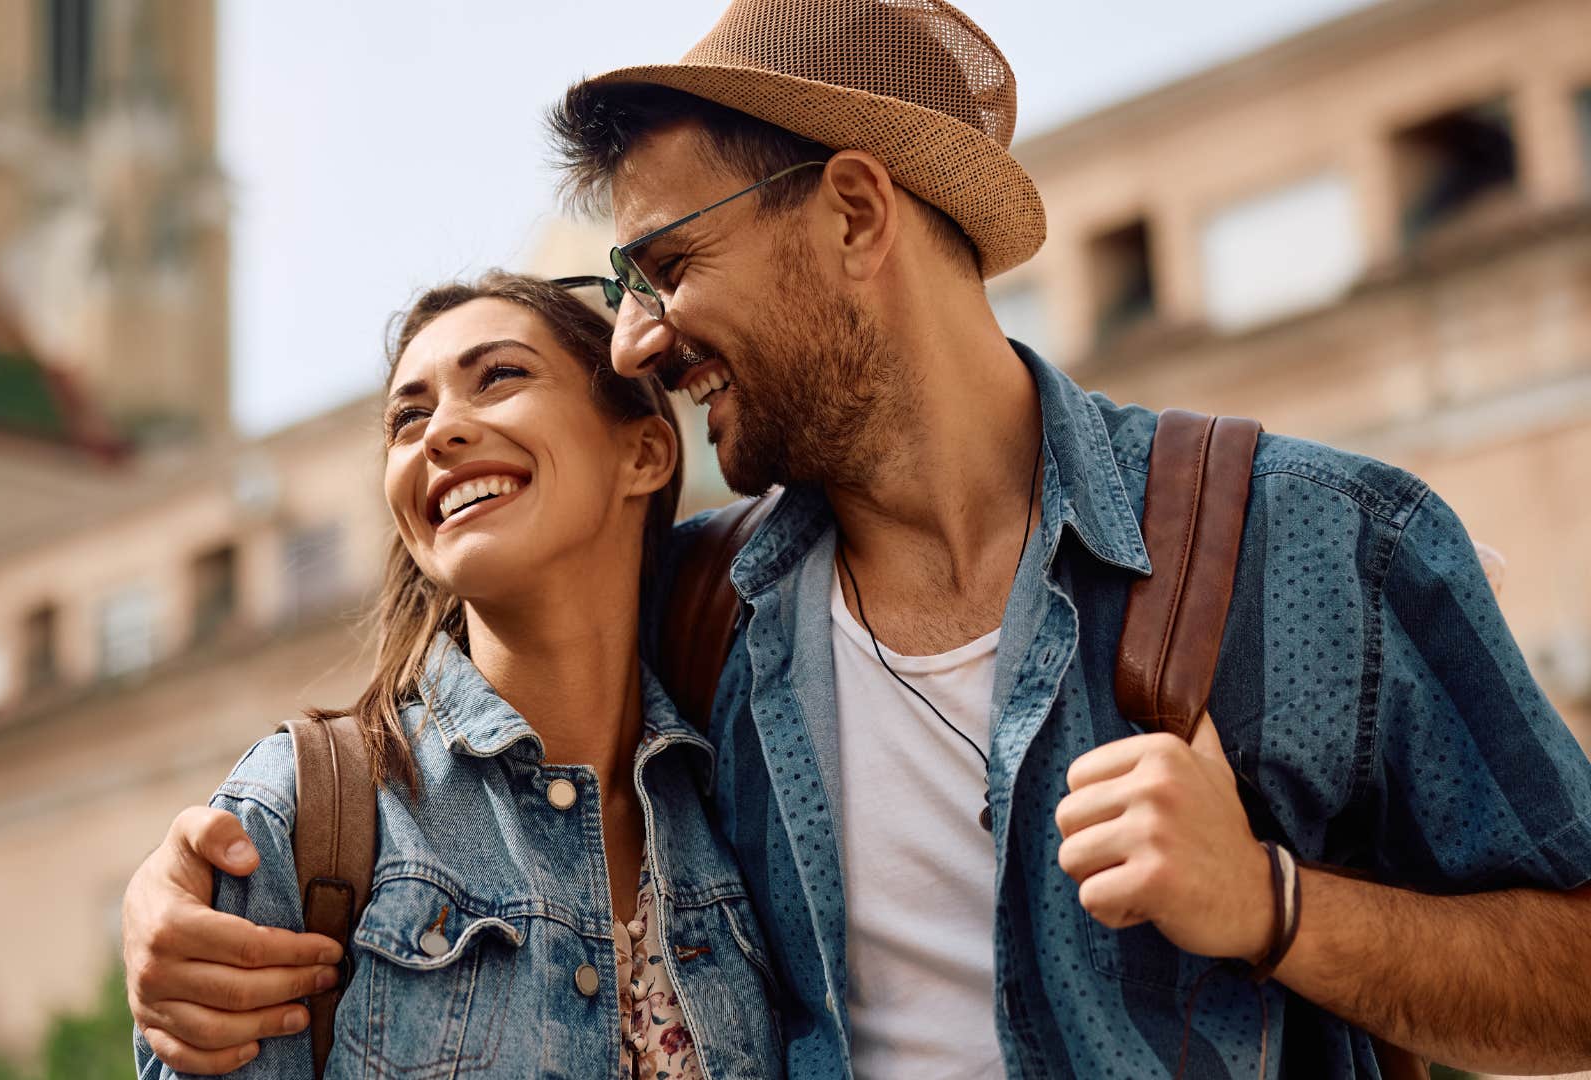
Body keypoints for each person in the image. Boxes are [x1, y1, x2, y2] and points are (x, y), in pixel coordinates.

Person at [124, 2, 1591, 1077]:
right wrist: (176, 904)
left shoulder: (1318, 542)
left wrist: (1271, 906)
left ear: (851, 213)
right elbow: (455, 744)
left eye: (670, 265)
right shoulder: (700, 616)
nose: (636, 338)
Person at [130, 272, 783, 1079]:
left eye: (500, 377)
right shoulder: (304, 814)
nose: (439, 432)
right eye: (408, 417)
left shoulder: (744, 795)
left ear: (642, 451)